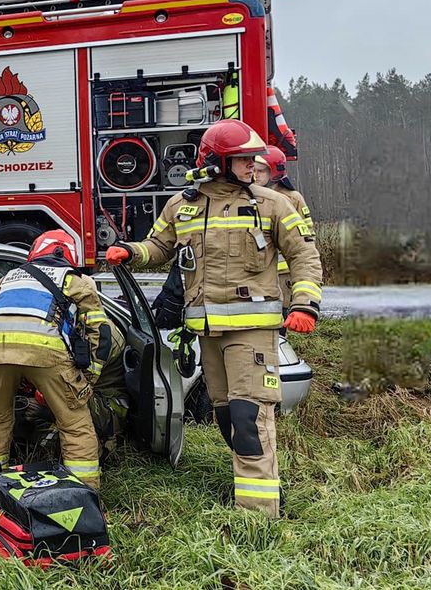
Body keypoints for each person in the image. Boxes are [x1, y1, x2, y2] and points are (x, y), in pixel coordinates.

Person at [106, 119, 322, 518]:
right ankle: (263, 490)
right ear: (216, 161)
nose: (252, 166)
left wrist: (305, 304)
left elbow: (304, 256)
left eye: (252, 159)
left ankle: (258, 516)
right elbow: (159, 246)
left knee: (248, 416)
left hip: (253, 333)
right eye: (241, 159)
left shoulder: (272, 203)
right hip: (207, 332)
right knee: (225, 416)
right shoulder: (181, 205)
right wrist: (131, 252)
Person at [0, 230, 115, 489]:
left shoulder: (6, 279)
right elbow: (101, 334)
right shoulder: (76, 282)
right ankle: (84, 494)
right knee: (74, 423)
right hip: (46, 350)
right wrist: (87, 380)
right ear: (69, 255)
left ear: (35, 252)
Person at [254, 146, 314, 309]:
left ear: (274, 172)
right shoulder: (251, 196)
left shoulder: (293, 198)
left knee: (282, 314)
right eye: (254, 170)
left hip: (284, 272)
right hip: (260, 271)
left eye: (261, 171)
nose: (256, 175)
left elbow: (307, 235)